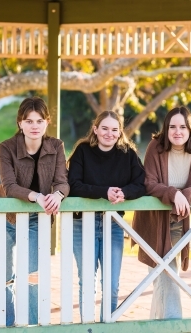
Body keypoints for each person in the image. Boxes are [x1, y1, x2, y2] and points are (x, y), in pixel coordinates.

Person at [0, 96, 69, 326]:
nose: (34, 126)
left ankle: (32, 327)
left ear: (47, 122)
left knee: (33, 277)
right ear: (20, 123)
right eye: (29, 121)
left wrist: (57, 195)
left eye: (39, 120)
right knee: (5, 277)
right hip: (4, 218)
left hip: (35, 220)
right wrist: (38, 197)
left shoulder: (57, 147)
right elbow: (10, 186)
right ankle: (8, 325)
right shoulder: (6, 148)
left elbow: (63, 181)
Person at [67, 110, 146, 321]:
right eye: (104, 128)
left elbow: (141, 183)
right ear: (95, 129)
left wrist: (125, 193)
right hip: (82, 223)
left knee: (111, 285)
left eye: (114, 129)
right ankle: (88, 326)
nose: (109, 134)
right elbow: (73, 185)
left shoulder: (128, 154)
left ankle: (107, 325)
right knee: (87, 282)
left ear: (120, 131)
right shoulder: (82, 151)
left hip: (113, 223)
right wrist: (104, 192)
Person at [132, 106, 191, 319]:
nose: (177, 131)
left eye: (183, 127)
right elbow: (149, 182)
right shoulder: (155, 147)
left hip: (180, 220)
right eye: (172, 127)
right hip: (155, 222)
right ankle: (173, 324)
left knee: (164, 275)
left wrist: (187, 193)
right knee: (165, 275)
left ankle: (157, 324)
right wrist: (174, 194)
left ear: (190, 129)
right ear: (165, 129)